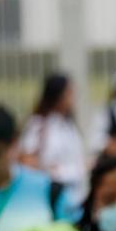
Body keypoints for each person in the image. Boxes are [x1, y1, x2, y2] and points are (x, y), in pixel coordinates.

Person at [20, 73, 87, 202]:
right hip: (50, 194)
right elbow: (28, 160)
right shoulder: (38, 125)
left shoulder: (68, 124)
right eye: (69, 93)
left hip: (75, 194)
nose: (73, 98)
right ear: (58, 95)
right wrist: (52, 173)